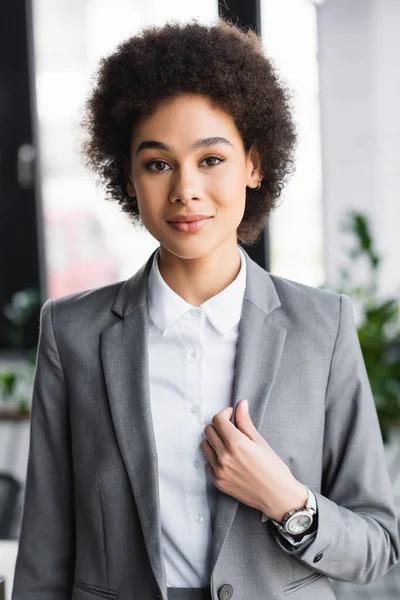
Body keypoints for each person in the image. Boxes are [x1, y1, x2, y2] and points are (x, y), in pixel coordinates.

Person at [12, 17, 400, 600]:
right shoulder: (72, 333)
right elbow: (44, 555)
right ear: (129, 177)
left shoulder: (324, 327)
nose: (185, 189)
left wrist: (288, 502)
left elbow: (379, 545)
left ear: (253, 165)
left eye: (211, 159)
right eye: (158, 163)